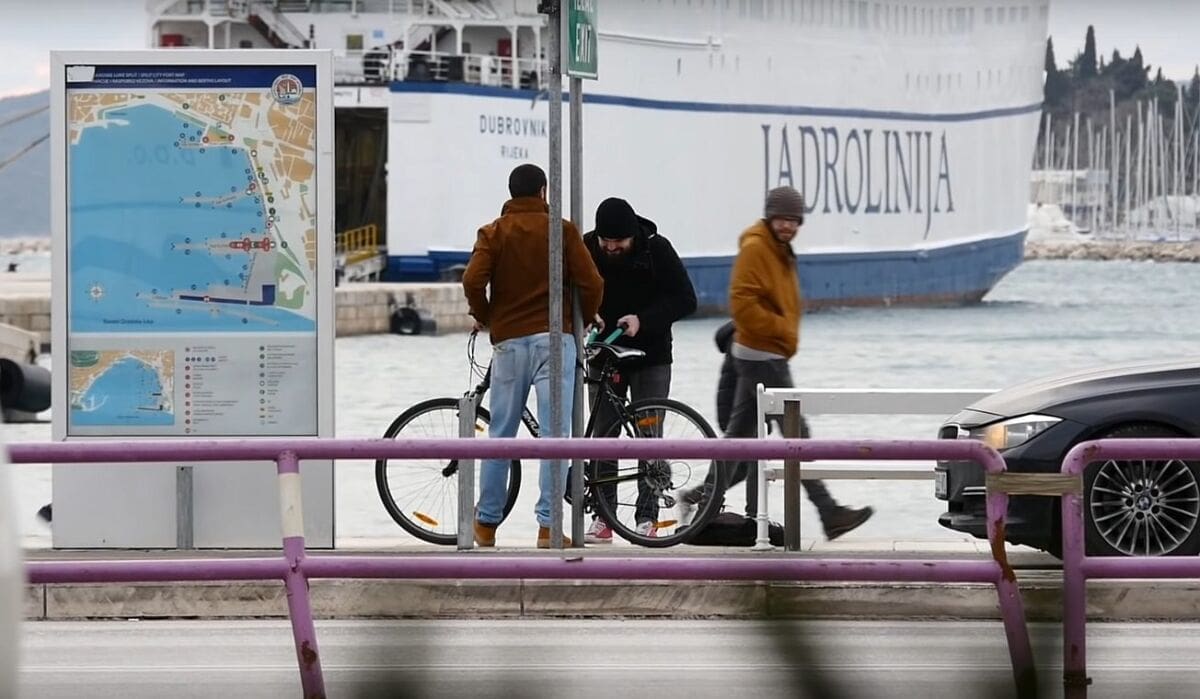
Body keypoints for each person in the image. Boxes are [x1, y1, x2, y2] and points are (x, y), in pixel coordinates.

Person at [682, 186, 873, 541]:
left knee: (740, 441)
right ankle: (829, 513)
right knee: (797, 436)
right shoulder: (757, 249)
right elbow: (741, 303)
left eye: (793, 220)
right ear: (770, 217)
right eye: (782, 219)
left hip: (763, 355)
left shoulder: (779, 250)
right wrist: (781, 329)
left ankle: (700, 498)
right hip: (763, 356)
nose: (787, 226)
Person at [462, 163, 604, 548]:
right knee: (555, 436)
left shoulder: (494, 232)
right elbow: (591, 281)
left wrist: (487, 316)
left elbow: (472, 280)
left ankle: (486, 524)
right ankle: (548, 526)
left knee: (500, 435)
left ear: (511, 193)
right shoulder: (562, 229)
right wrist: (587, 316)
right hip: (556, 340)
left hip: (509, 344)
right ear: (543, 191)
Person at [580, 197, 697, 543]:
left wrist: (642, 320)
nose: (611, 248)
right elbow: (572, 290)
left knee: (649, 437)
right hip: (604, 354)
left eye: (619, 243)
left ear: (633, 235)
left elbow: (685, 300)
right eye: (606, 243)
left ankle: (647, 516)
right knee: (602, 438)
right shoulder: (588, 247)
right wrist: (587, 314)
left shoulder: (657, 249)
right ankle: (603, 517)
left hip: (651, 355)